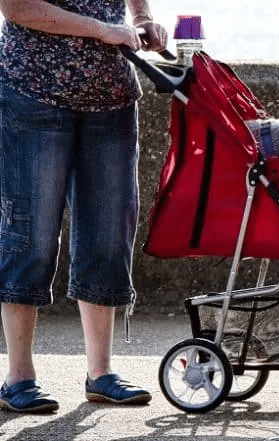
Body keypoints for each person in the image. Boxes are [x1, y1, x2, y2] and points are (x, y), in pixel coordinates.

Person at [0, 0, 167, 413]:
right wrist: (102, 29)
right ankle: (18, 378)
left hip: (111, 99)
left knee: (109, 235)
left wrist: (142, 19)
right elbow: (15, 6)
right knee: (30, 235)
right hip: (31, 93)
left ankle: (102, 374)